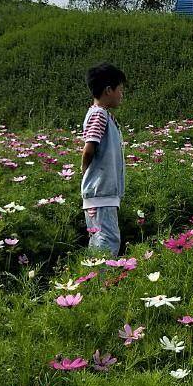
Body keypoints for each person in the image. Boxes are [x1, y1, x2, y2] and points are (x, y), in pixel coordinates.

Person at [80, 63, 126, 255]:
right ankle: (99, 283)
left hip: (104, 193)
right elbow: (89, 149)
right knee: (106, 242)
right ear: (108, 90)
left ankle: (98, 282)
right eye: (120, 90)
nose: (121, 95)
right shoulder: (99, 115)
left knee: (104, 239)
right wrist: (85, 173)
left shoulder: (104, 115)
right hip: (100, 193)